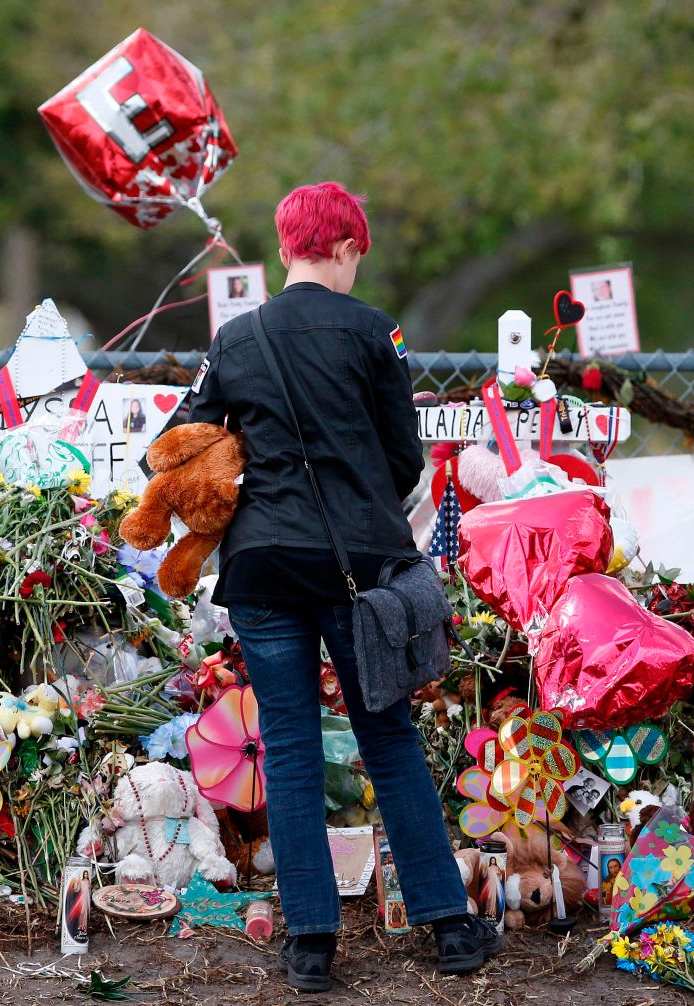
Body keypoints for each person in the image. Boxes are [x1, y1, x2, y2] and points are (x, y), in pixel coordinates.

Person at [188, 182, 498, 992]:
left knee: (288, 749)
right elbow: (405, 458)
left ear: (286, 247)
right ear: (349, 247)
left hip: (260, 565)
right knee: (387, 737)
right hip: (357, 570)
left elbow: (187, 441)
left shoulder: (236, 336)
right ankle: (450, 929)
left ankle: (312, 947)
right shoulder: (373, 332)